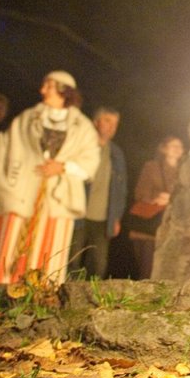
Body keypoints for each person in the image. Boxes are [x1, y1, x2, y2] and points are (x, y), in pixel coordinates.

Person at [0, 70, 99, 287]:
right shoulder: (28, 118)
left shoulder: (82, 127)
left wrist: (63, 167)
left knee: (49, 249)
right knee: (10, 247)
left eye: (48, 85)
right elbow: (2, 146)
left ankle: (42, 294)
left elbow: (90, 162)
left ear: (63, 90)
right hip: (23, 190)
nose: (42, 90)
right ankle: (1, 291)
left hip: (57, 199)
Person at [69, 107, 127, 279]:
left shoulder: (116, 153)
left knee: (98, 265)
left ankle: (88, 301)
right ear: (95, 122)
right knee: (71, 260)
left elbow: (121, 188)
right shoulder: (81, 146)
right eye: (107, 121)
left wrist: (116, 217)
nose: (112, 127)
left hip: (103, 219)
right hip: (78, 213)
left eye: (115, 124)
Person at [127, 135, 184, 278]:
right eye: (173, 146)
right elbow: (140, 192)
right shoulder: (152, 167)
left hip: (174, 226)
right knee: (148, 267)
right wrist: (157, 198)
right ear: (164, 149)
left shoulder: (185, 171)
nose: (177, 149)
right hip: (151, 224)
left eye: (180, 146)